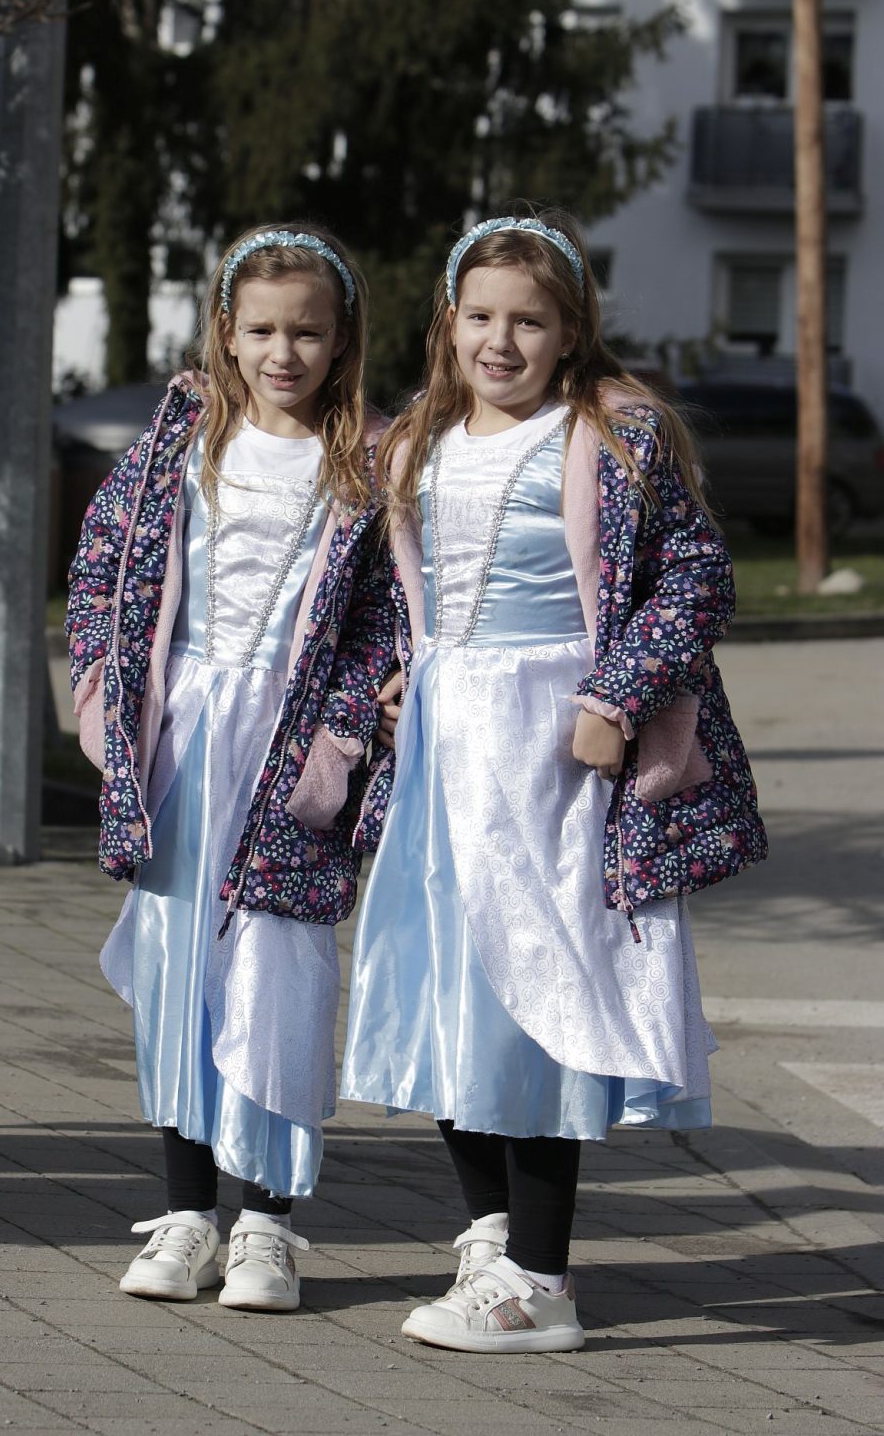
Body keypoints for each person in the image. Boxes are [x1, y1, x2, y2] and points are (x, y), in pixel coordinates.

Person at [341, 209, 768, 1353]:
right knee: (453, 986)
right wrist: (398, 676)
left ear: (571, 331)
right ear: (448, 323)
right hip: (445, 743)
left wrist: (613, 697)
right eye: (480, 315)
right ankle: (490, 1236)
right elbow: (397, 594)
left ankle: (541, 1282)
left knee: (544, 994)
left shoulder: (609, 434)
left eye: (529, 321)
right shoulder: (418, 440)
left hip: (553, 745)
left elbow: (695, 577)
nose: (501, 340)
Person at [66, 224, 395, 1313]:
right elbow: (103, 564)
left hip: (292, 753)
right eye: (261, 331)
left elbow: (385, 622)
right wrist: (103, 694)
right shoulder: (180, 442)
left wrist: (342, 736)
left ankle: (268, 1226)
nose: (282, 354)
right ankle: (187, 1214)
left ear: (341, 340)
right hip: (183, 742)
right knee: (178, 973)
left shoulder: (369, 464)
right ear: (226, 332)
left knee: (280, 973)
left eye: (307, 333)